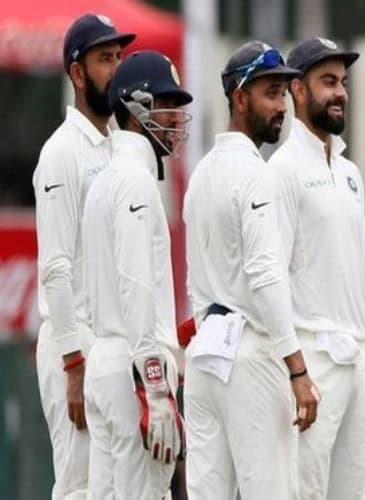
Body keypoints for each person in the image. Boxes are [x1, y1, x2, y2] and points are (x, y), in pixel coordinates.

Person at [182, 41, 319, 500]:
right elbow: (264, 274)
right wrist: (297, 369)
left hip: (205, 355)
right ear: (240, 98)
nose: (282, 106)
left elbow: (194, 279)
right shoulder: (255, 172)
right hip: (251, 354)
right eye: (270, 93)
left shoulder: (201, 174)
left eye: (283, 93)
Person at [266, 37, 365, 499]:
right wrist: (295, 372)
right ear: (298, 89)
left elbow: (363, 275)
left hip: (356, 363)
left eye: (344, 82)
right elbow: (272, 277)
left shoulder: (351, 173)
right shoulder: (282, 170)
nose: (340, 93)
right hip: (313, 363)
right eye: (328, 81)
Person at [32, 13, 134, 499]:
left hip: (111, 343)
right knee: (78, 487)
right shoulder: (61, 153)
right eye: (104, 59)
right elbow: (55, 266)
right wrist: (73, 365)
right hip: (74, 346)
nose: (116, 70)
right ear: (77, 72)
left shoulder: (119, 149)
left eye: (118, 58)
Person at [81, 50, 191, 499]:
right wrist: (156, 386)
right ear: (136, 107)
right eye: (166, 104)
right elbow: (135, 282)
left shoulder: (106, 178)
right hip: (132, 369)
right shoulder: (135, 180)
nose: (175, 117)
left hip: (106, 362)